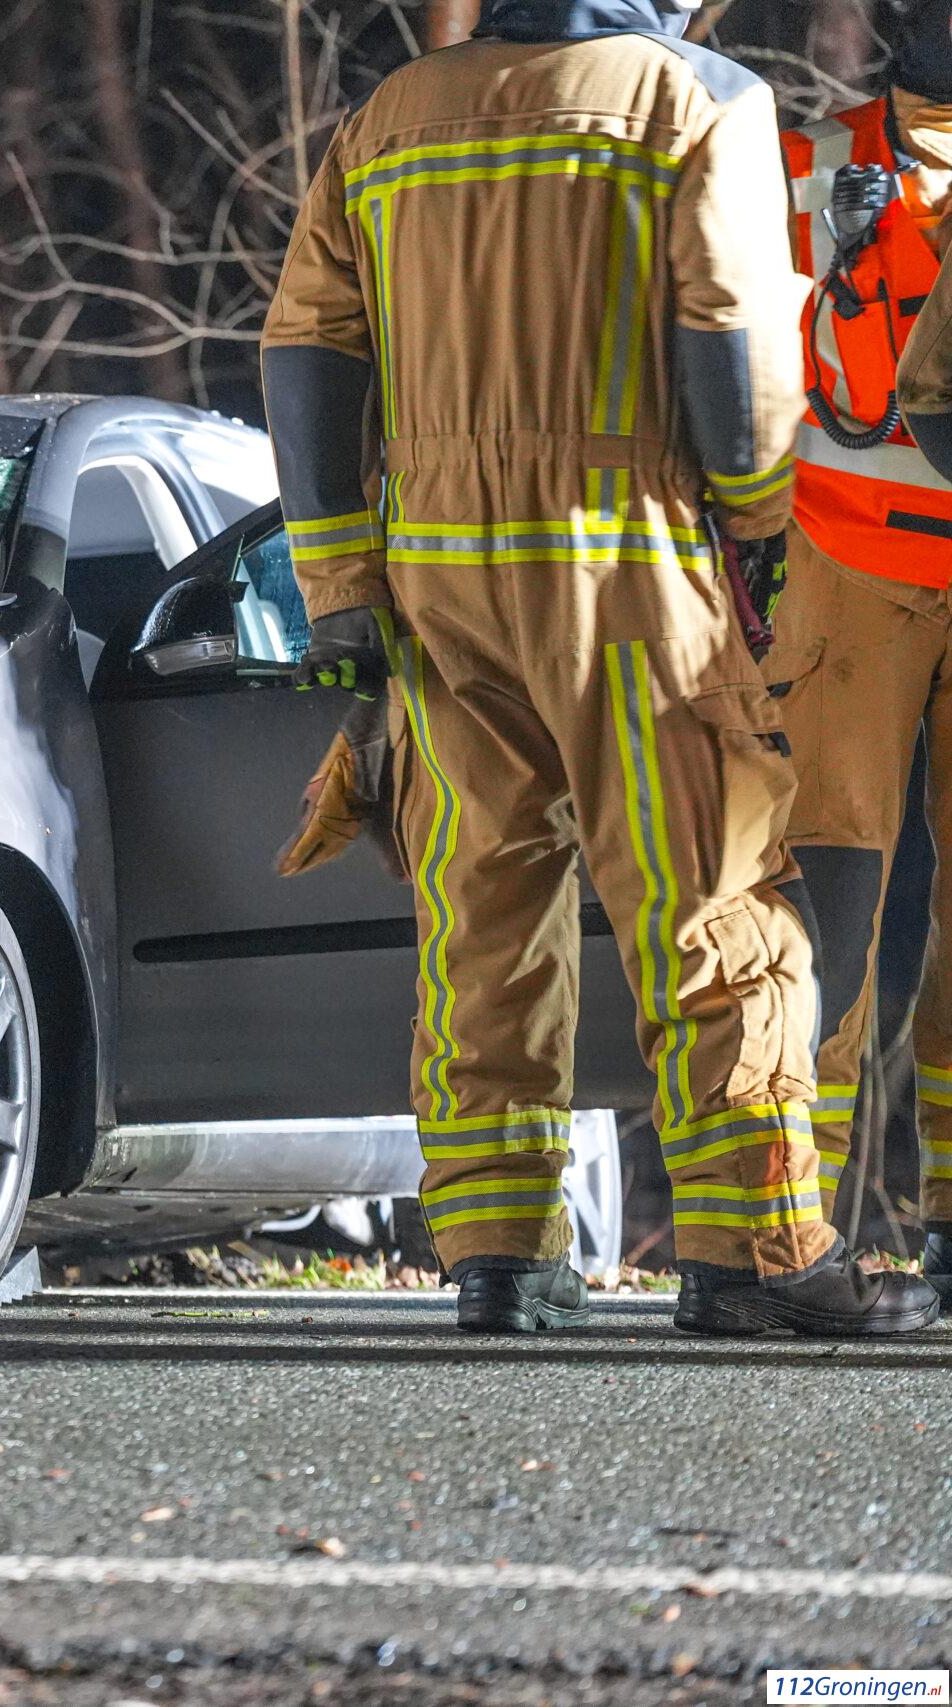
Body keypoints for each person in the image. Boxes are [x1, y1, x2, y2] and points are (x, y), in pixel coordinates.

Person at [262, 0, 941, 1335]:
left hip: (437, 576)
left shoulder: (392, 116)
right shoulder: (697, 98)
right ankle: (754, 1260)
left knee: (482, 915)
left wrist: (342, 582)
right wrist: (753, 534)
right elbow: (736, 347)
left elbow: (306, 348)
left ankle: (501, 1259)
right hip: (627, 570)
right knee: (719, 903)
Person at [767, 0, 952, 1303]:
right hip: (849, 561)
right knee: (831, 891)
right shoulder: (816, 160)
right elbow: (750, 359)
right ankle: (793, 1220)